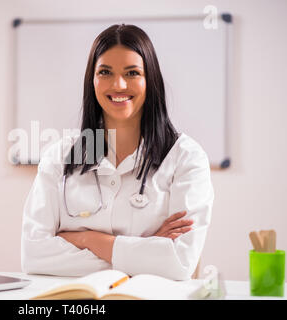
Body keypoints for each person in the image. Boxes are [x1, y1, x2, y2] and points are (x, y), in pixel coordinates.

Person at [21, 24, 214, 280]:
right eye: (105, 72)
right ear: (93, 80)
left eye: (132, 73)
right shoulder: (60, 156)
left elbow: (179, 262)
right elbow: (34, 255)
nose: (119, 84)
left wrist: (86, 239)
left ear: (150, 80)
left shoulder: (185, 158)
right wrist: (144, 251)